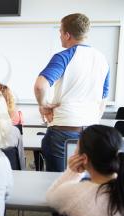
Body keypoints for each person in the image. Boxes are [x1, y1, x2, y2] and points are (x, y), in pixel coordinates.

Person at [34, 13, 109, 172]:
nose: (60, 35)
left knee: (56, 182)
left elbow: (40, 86)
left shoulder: (64, 56)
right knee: (84, 181)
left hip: (62, 133)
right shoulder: (102, 59)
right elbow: (103, 99)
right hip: (89, 134)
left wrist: (43, 105)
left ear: (67, 35)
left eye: (60, 32)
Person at [46, 125, 124, 216]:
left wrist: (72, 171)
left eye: (77, 147)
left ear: (84, 158)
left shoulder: (72, 194)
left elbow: (51, 198)